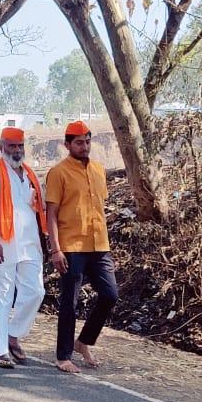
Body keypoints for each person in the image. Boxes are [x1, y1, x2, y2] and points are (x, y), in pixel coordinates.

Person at [45, 121, 117, 374]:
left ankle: (83, 342)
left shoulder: (99, 170)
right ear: (67, 145)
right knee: (69, 302)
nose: (84, 146)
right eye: (78, 142)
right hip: (71, 246)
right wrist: (55, 249)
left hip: (99, 244)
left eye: (87, 141)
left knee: (110, 296)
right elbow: (50, 213)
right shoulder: (58, 172)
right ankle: (63, 356)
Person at [0, 126, 47, 369]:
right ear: (1, 148)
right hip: (1, 243)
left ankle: (13, 334)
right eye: (11, 146)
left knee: (36, 292)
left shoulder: (29, 175)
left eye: (20, 146)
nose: (16, 151)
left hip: (28, 244)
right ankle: (1, 350)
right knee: (0, 297)